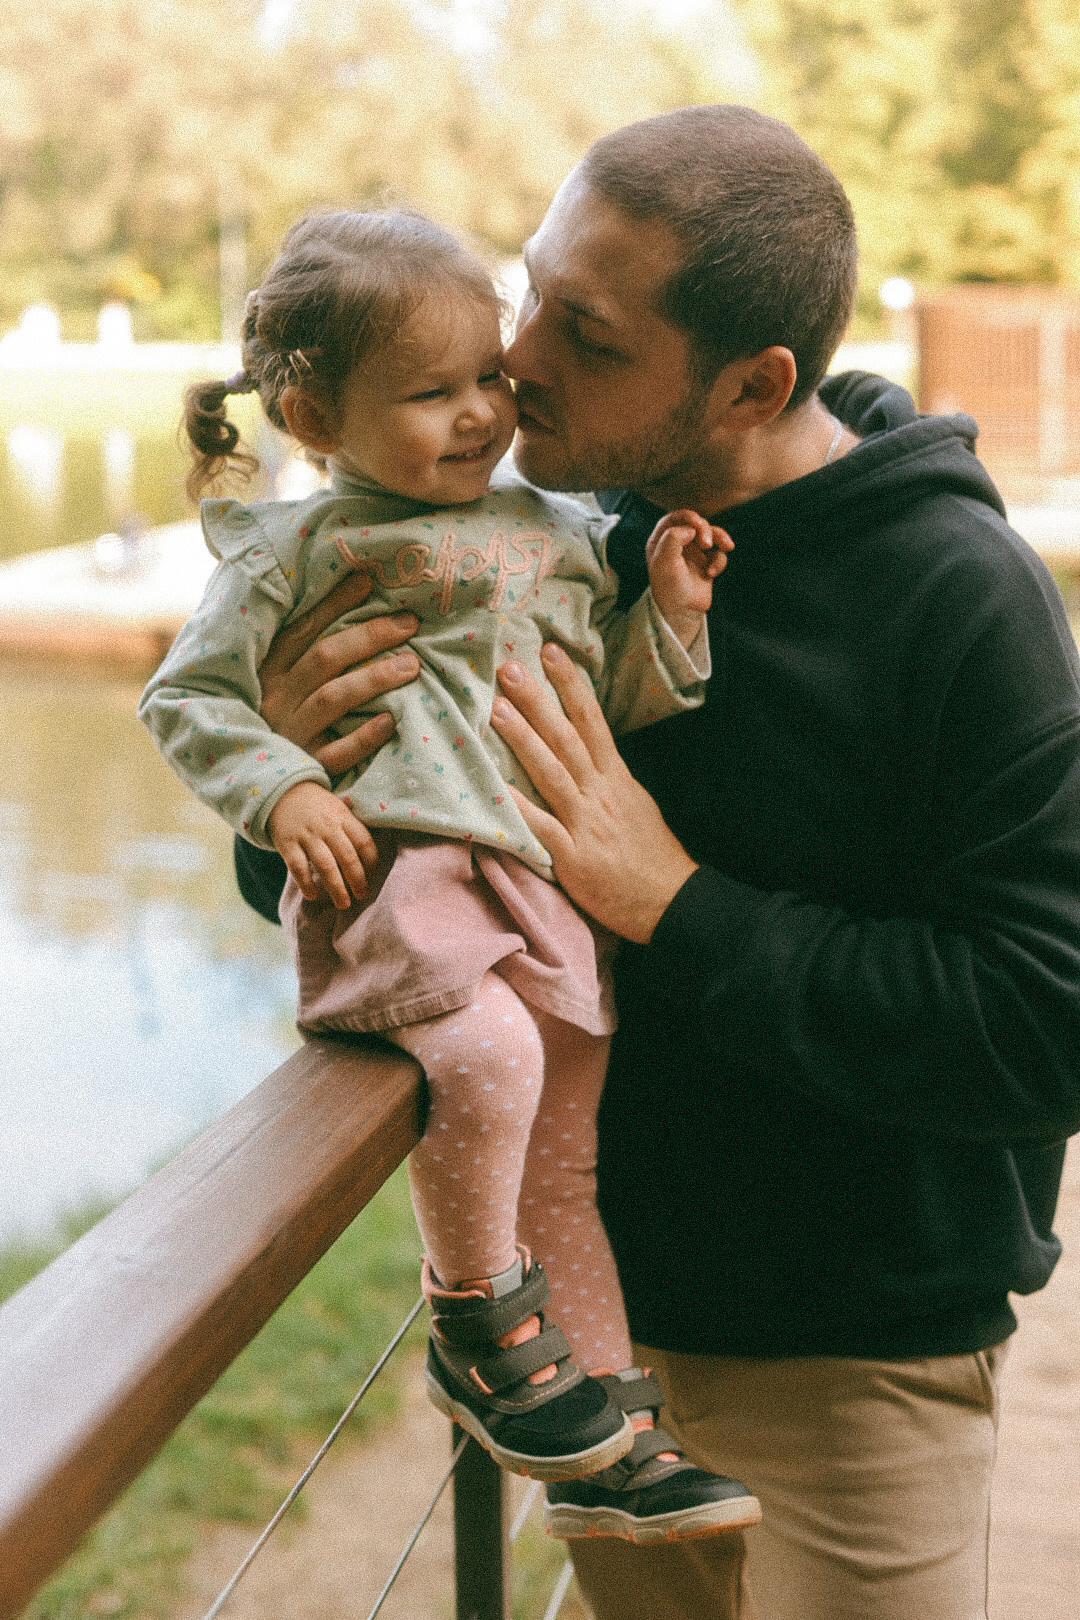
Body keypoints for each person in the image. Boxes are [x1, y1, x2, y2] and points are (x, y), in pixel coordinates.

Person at [231, 107, 1080, 1620]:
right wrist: (289, 782)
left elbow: (1042, 1023)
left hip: (848, 1377)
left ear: (754, 382)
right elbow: (398, 891)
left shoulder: (962, 603)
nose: (518, 360)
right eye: (531, 291)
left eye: (588, 337)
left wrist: (673, 902)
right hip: (583, 1357)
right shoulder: (537, 529)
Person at [141, 207, 761, 1539]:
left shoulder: (556, 527)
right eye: (434, 393)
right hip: (406, 885)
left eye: (490, 375)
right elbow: (188, 702)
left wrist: (670, 618)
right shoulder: (297, 551)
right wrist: (285, 788)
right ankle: (476, 1317)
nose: (484, 412)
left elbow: (614, 707)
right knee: (486, 1059)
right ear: (313, 413)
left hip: (545, 895)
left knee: (569, 1163)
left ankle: (605, 1418)